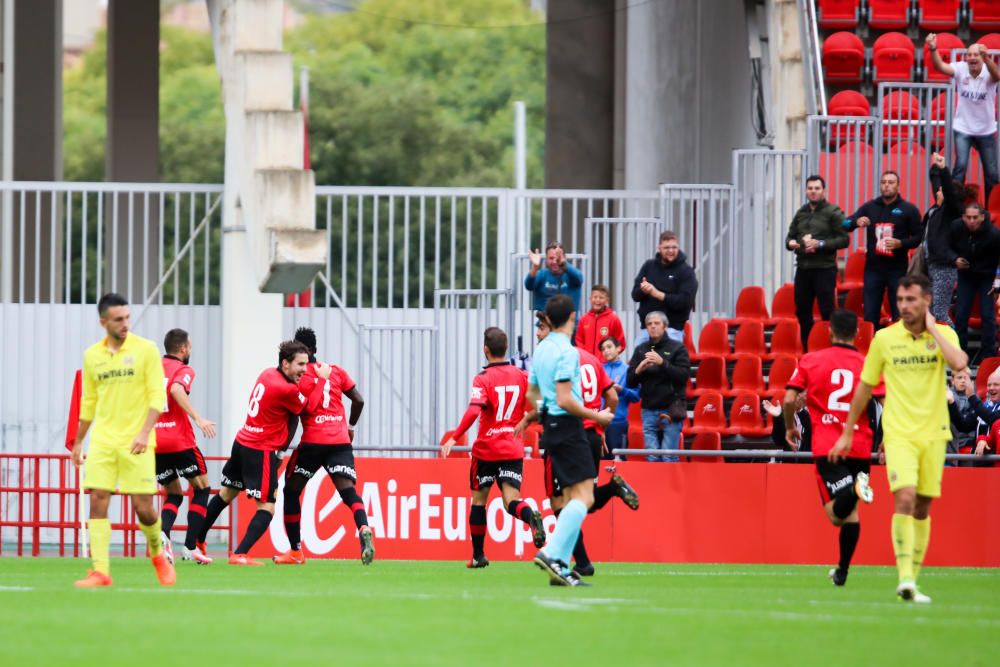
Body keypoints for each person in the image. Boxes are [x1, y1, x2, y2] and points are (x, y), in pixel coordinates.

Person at [834, 275, 968, 603]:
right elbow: (865, 386)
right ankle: (905, 579)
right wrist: (849, 430)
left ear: (925, 301)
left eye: (911, 300)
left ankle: (913, 578)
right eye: (900, 300)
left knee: (922, 506)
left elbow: (961, 363)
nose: (904, 306)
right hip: (899, 434)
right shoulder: (884, 338)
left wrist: (934, 329)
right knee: (904, 497)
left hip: (935, 433)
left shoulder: (944, 334)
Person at [70, 292, 175, 587]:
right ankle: (101, 571)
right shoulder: (93, 356)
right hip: (103, 441)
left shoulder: (146, 350)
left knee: (143, 507)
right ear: (103, 322)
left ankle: (157, 552)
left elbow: (158, 395)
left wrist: (144, 433)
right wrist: (79, 442)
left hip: (137, 441)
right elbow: (88, 402)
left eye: (127, 317)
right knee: (97, 499)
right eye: (118, 319)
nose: (125, 323)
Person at [196, 340, 326, 565]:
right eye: (300, 365)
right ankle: (239, 554)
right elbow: (309, 407)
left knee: (226, 494)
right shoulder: (285, 389)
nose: (305, 370)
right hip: (260, 449)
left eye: (307, 364)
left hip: (242, 441)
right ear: (285, 364)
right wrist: (321, 379)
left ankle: (197, 541)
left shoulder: (267, 374)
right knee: (267, 507)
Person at [784, 309, 875, 586]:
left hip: (828, 444)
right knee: (852, 513)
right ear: (857, 334)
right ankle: (842, 571)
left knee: (837, 516)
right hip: (860, 444)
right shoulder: (866, 363)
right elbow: (884, 401)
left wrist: (790, 426)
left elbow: (789, 400)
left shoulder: (811, 360)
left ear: (830, 332)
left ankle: (857, 489)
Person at [440, 327, 546, 568]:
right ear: (505, 348)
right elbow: (543, 404)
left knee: (479, 501)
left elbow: (474, 410)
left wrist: (455, 437)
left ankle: (478, 556)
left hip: (486, 450)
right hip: (512, 449)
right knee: (511, 501)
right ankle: (530, 517)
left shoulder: (483, 378)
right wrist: (528, 419)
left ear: (485, 349)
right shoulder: (522, 376)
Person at [528, 295, 613, 586]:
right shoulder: (567, 352)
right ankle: (551, 553)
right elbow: (565, 399)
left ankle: (561, 567)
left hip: (552, 426)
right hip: (568, 426)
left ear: (549, 319)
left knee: (568, 499)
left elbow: (533, 394)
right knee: (585, 497)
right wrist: (597, 417)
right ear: (573, 318)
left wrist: (543, 414)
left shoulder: (541, 350)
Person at [273, 328, 373, 566]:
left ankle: (296, 551)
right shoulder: (336, 371)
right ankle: (364, 526)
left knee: (291, 491)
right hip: (340, 441)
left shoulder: (300, 376)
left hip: (313, 443)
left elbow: (297, 413)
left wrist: (282, 449)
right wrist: (350, 427)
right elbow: (358, 400)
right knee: (349, 492)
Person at [552, 343, 639, 578]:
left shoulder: (561, 360)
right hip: (592, 436)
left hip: (570, 436)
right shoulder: (592, 360)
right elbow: (611, 396)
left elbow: (560, 401)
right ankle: (582, 562)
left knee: (563, 503)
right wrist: (600, 426)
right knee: (583, 500)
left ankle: (576, 561)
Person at [154, 328, 217, 565]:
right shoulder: (184, 369)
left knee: (174, 494)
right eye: (190, 347)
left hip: (156, 443)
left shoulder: (152, 368)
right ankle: (190, 547)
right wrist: (198, 419)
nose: (191, 351)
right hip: (180, 441)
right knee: (201, 490)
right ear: (182, 349)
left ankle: (163, 535)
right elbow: (176, 389)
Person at [844, 171, 923, 328]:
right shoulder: (869, 207)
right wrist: (856, 222)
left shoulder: (909, 209)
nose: (887, 185)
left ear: (898, 186)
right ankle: (873, 346)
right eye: (883, 182)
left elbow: (918, 238)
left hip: (897, 268)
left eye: (891, 182)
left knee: (899, 313)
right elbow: (844, 224)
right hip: (873, 268)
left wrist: (900, 243)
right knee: (870, 314)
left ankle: (899, 349)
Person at [926, 35, 1000, 199]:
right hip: (963, 128)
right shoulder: (961, 68)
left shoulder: (989, 70)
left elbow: (997, 76)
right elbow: (940, 67)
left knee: (992, 173)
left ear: (983, 57)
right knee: (960, 167)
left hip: (986, 130)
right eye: (970, 54)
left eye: (976, 54)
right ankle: (954, 205)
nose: (972, 58)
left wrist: (988, 60)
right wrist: (932, 48)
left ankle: (992, 208)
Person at [785, 175, 849, 349]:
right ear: (806, 190)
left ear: (823, 190)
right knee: (802, 310)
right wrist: (792, 244)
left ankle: (832, 346)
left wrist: (820, 244)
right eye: (810, 188)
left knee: (827, 311)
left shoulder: (833, 212)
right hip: (803, 269)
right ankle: (809, 346)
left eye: (817, 188)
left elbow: (844, 240)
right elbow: (790, 238)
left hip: (824, 269)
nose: (813, 191)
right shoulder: (801, 213)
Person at [626, 311, 691, 462]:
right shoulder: (641, 349)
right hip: (648, 408)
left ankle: (670, 486)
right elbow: (630, 382)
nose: (653, 327)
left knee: (669, 456)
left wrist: (663, 363)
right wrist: (638, 370)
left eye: (657, 323)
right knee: (652, 456)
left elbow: (683, 376)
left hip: (671, 407)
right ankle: (654, 486)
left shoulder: (678, 348)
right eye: (649, 324)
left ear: (665, 326)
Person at [949, 203, 1000, 361]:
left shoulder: (994, 234)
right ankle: (960, 353)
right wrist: (954, 259)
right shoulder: (956, 227)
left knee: (987, 315)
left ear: (982, 217)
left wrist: (998, 278)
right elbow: (945, 247)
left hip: (987, 275)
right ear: (963, 217)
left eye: (975, 218)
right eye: (968, 217)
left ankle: (988, 355)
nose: (971, 221)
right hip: (966, 274)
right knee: (962, 314)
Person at [922, 153, 968, 326]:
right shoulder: (937, 210)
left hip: (944, 268)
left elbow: (947, 190)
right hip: (933, 266)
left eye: (941, 190)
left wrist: (943, 169)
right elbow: (938, 185)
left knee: (940, 313)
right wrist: (935, 170)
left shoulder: (952, 211)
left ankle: (954, 346)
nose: (938, 191)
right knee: (933, 311)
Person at [631, 231, 698, 345]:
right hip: (647, 330)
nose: (671, 251)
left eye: (674, 247)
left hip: (672, 329)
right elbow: (635, 295)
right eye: (666, 247)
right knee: (637, 360)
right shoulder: (649, 266)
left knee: (664, 361)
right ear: (659, 248)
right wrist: (644, 290)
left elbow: (685, 301)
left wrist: (657, 294)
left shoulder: (686, 271)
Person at [600, 336, 640, 461]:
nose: (606, 351)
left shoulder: (628, 370)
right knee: (600, 461)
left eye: (609, 347)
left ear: (618, 348)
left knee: (617, 460)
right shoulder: (599, 369)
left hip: (618, 422)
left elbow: (636, 397)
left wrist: (622, 390)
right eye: (603, 349)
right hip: (599, 421)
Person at [524, 241, 584, 313]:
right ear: (546, 259)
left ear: (564, 257)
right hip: (545, 322)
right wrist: (535, 267)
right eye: (551, 258)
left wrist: (563, 263)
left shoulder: (572, 275)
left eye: (558, 258)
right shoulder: (542, 274)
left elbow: (579, 278)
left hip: (568, 323)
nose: (555, 261)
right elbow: (529, 285)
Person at [574, 285, 626, 356]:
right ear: (590, 299)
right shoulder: (583, 319)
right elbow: (579, 341)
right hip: (588, 363)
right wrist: (585, 356)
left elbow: (621, 344)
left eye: (601, 298)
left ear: (607, 300)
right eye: (595, 297)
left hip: (606, 364)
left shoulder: (614, 319)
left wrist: (609, 357)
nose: (597, 300)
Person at [764, 394, 811, 460]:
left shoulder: (814, 414)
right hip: (789, 463)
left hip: (809, 464)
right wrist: (777, 417)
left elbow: (811, 428)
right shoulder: (785, 414)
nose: (797, 398)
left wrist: (800, 411)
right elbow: (778, 442)